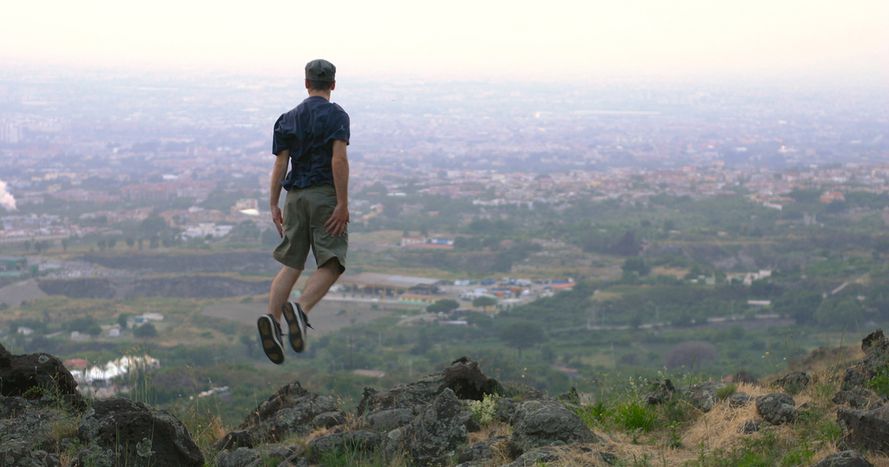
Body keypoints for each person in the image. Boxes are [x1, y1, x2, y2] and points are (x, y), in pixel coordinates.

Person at [257, 59, 350, 364]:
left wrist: (273, 203)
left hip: (294, 197)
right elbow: (338, 160)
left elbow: (280, 164)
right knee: (332, 260)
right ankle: (302, 308)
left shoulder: (288, 118)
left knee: (292, 263)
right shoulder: (337, 115)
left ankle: (273, 320)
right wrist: (342, 203)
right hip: (324, 195)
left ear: (306, 83)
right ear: (333, 84)